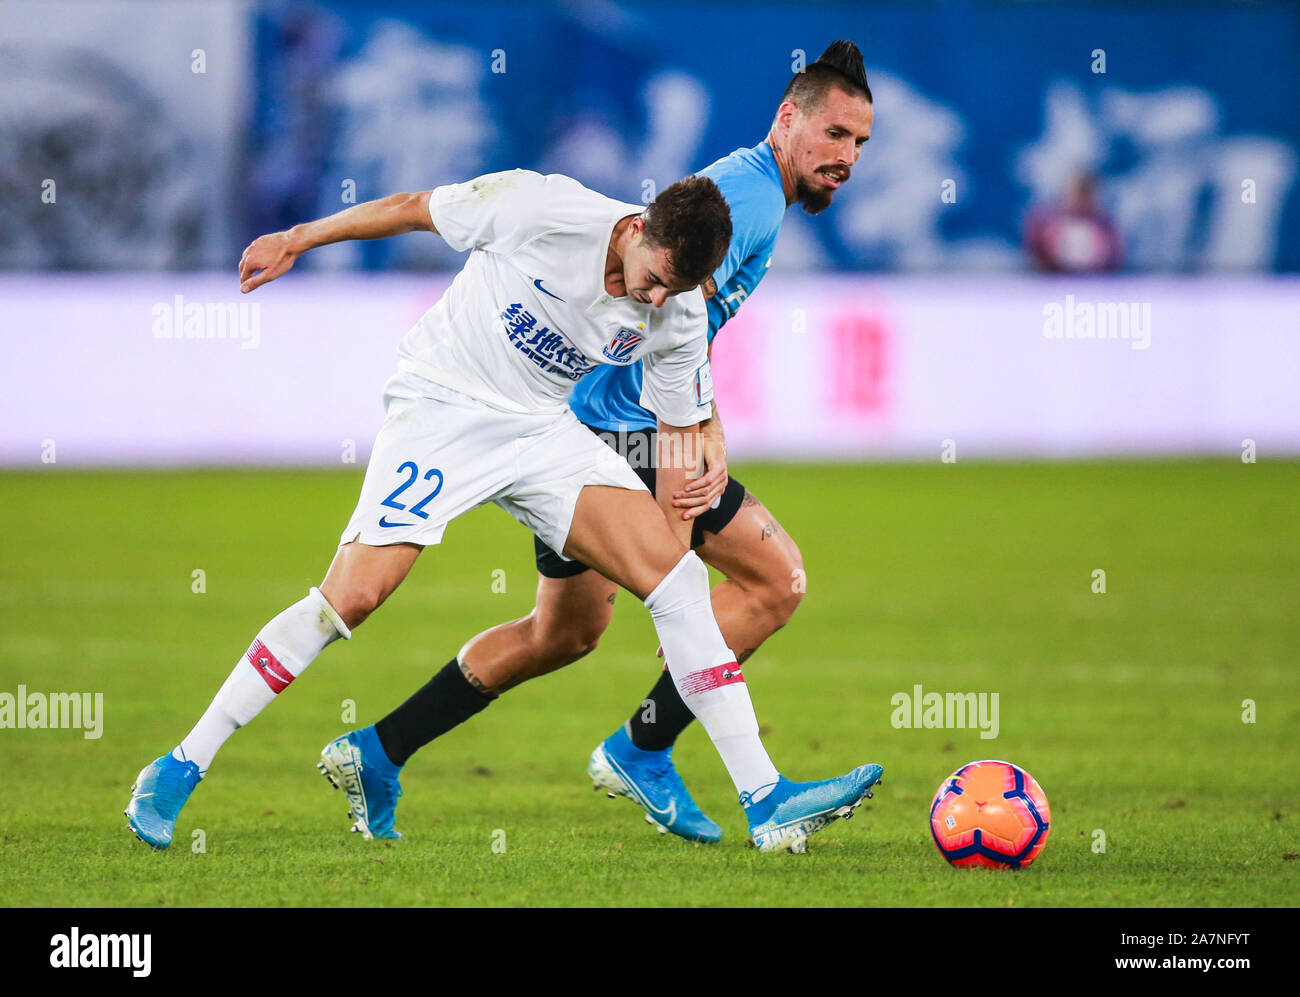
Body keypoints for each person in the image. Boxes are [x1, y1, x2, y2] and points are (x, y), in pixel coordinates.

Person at [124, 165, 882, 855]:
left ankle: (766, 800)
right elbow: (414, 209)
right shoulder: (542, 207)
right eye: (651, 278)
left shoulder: (679, 307)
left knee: (678, 584)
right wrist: (299, 237)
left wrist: (670, 571)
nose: (652, 300)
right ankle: (181, 763)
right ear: (637, 227)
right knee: (353, 596)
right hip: (442, 406)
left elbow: (681, 437)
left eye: (670, 291)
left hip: (543, 429)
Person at [328, 40, 877, 845]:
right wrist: (678, 527)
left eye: (860, 144)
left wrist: (709, 421)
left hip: (587, 426)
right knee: (774, 579)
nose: (847, 157)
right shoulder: (749, 202)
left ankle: (379, 748)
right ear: (788, 118)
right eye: (835, 135)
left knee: (565, 632)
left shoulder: (747, 191)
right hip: (623, 434)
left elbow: (682, 334)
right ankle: (647, 751)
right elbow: (670, 327)